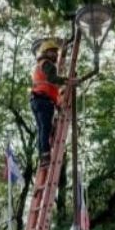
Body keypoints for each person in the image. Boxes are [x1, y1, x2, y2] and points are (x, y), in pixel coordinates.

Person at [30, 39, 70, 167]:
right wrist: (68, 80)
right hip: (43, 101)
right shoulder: (47, 64)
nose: (56, 55)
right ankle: (45, 156)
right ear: (46, 52)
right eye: (53, 52)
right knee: (45, 129)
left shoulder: (40, 65)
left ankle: (43, 157)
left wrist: (58, 105)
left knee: (43, 128)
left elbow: (52, 89)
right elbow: (53, 79)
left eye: (56, 52)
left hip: (37, 100)